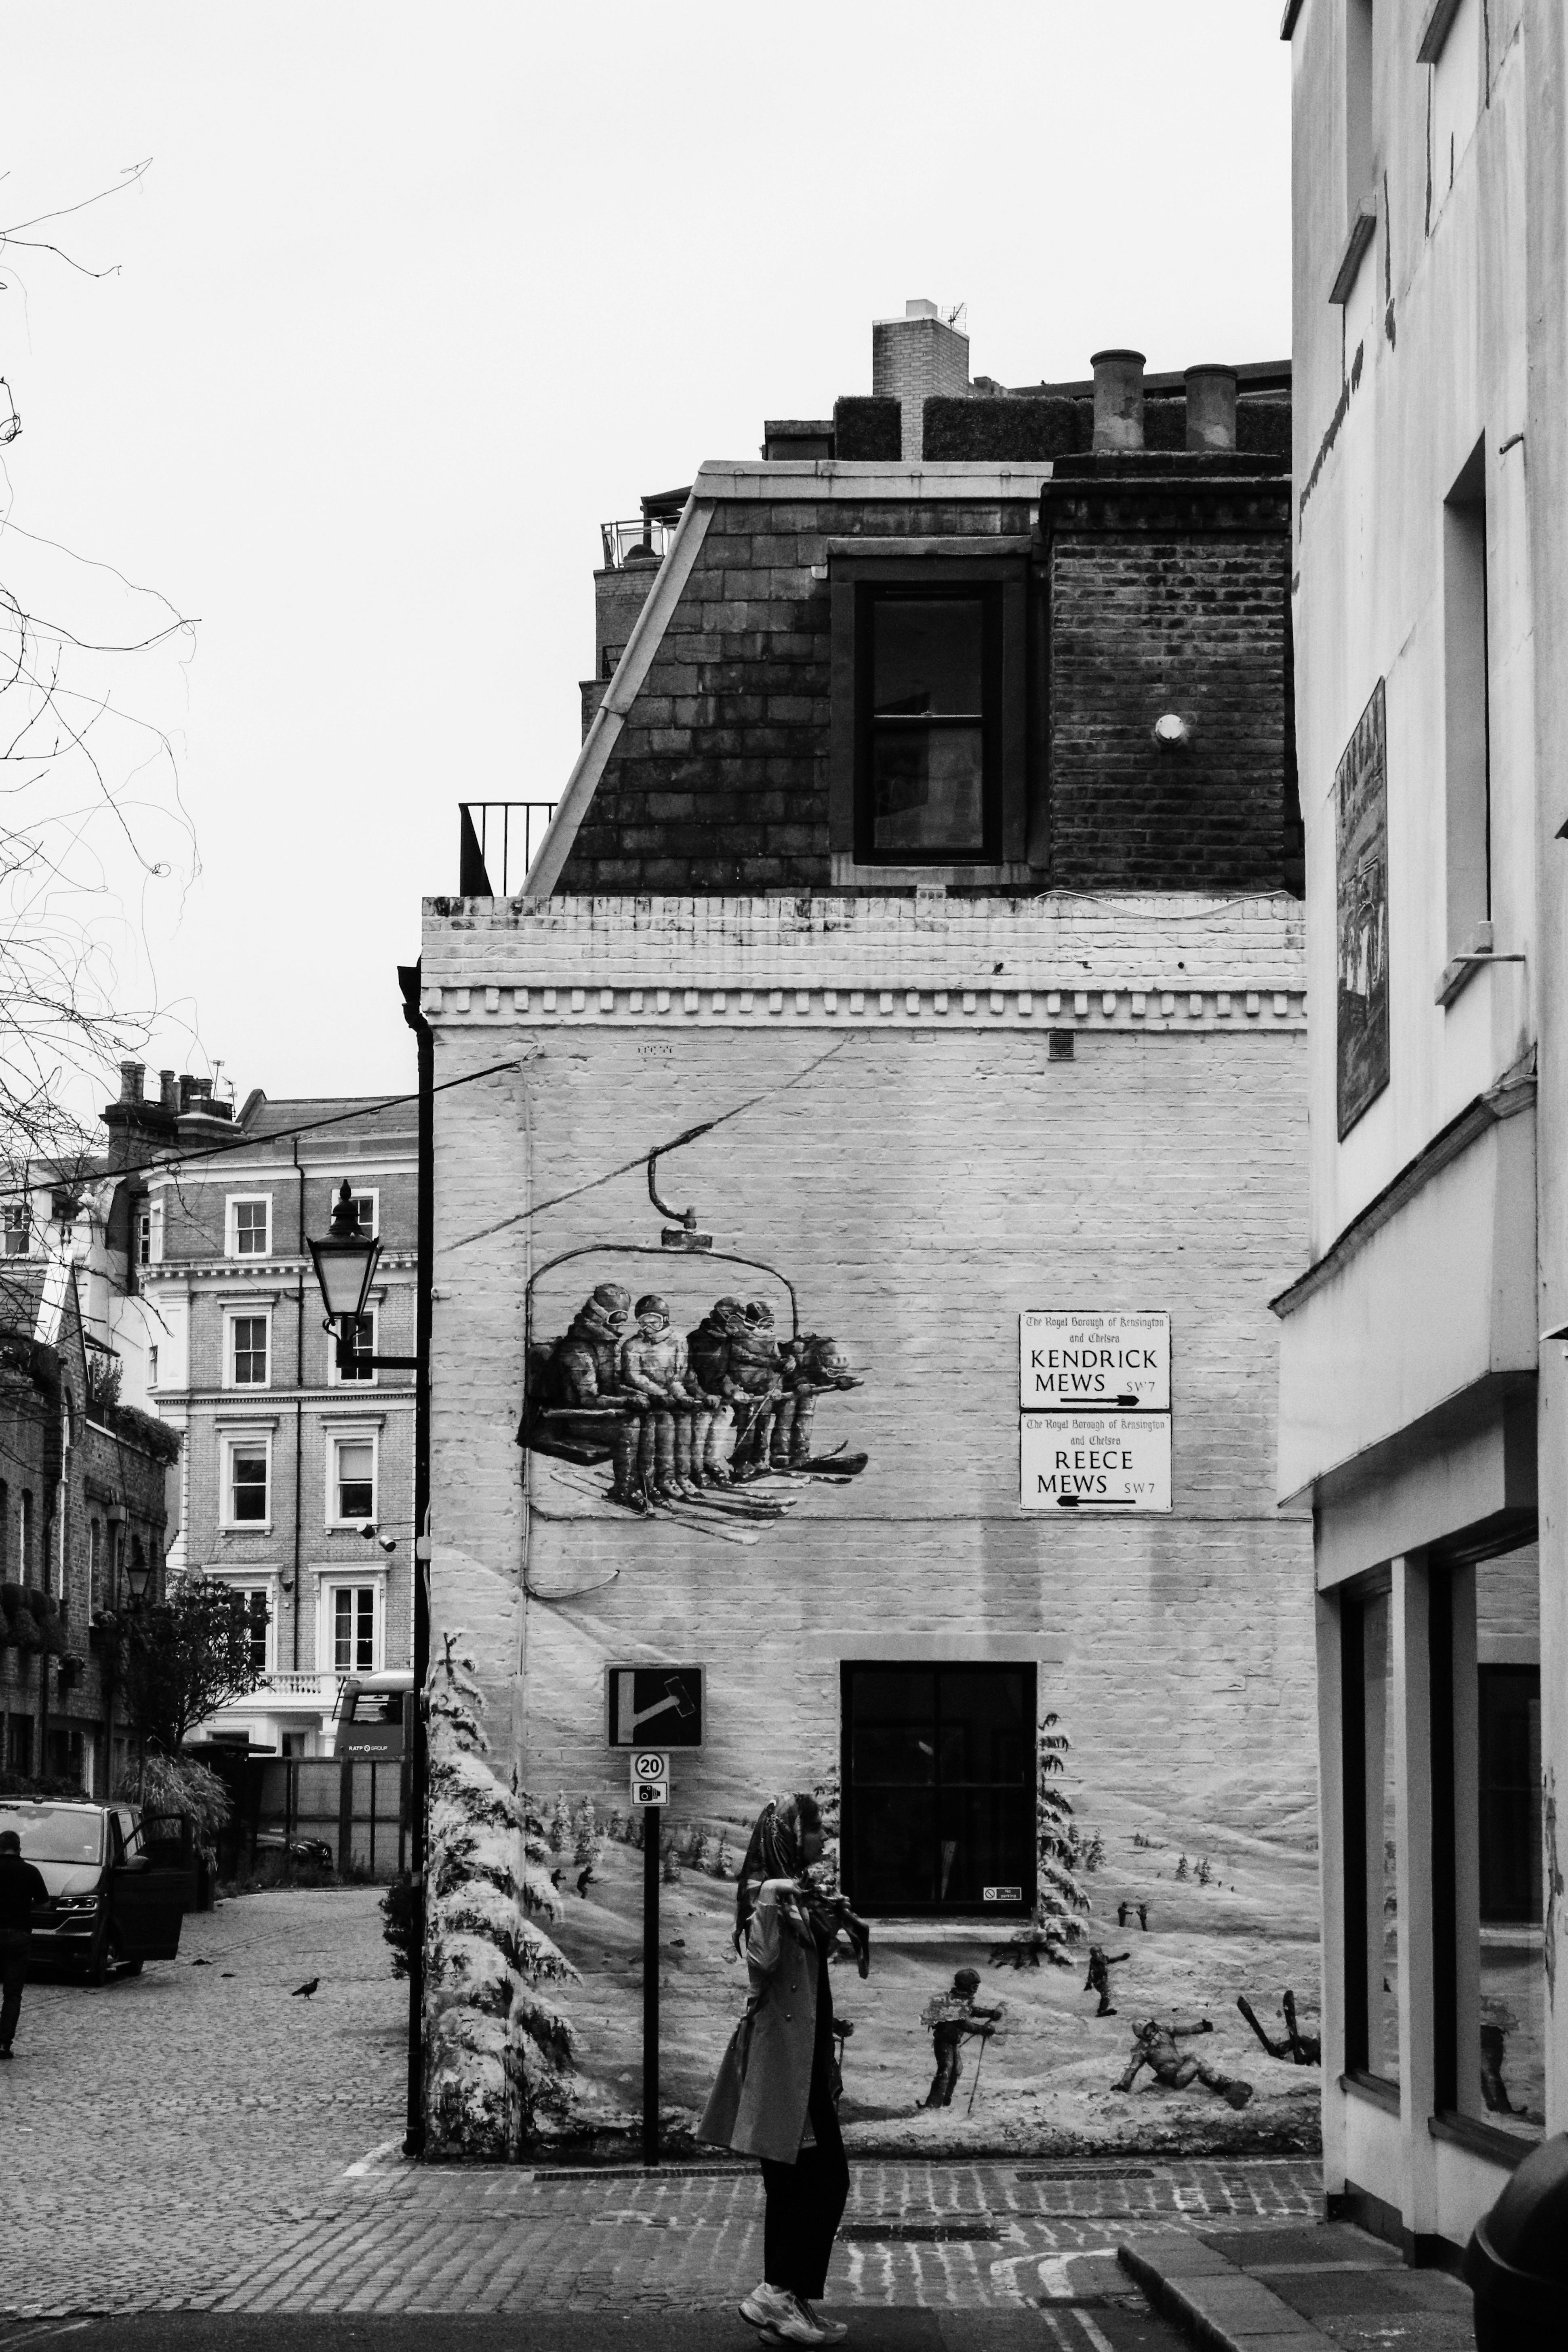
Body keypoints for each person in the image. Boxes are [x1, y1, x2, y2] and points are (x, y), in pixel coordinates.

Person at [699, 1792, 869, 2348]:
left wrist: (839, 1917)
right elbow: (763, 1960)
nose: (824, 1840)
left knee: (802, 2181)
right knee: (814, 2180)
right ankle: (776, 2292)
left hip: (804, 2063)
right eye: (816, 1831)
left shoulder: (800, 1895)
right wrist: (772, 1898)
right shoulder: (763, 1897)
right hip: (779, 2065)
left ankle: (786, 2298)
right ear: (790, 1836)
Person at [920, 1968, 1002, 2107]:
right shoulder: (953, 2002)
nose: (976, 1990)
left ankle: (946, 2099)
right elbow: (961, 2023)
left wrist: (991, 2014)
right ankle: (932, 2104)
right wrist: (981, 2029)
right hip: (944, 2041)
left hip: (953, 2042)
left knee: (957, 2069)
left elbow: (972, 2011)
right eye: (974, 1987)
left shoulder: (963, 2001)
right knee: (946, 2069)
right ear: (966, 1986)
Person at [0, 1828, 48, 2058]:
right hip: (19, 1935)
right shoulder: (30, 1871)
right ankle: (3, 2043)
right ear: (19, 1849)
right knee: (12, 1993)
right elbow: (44, 1903)